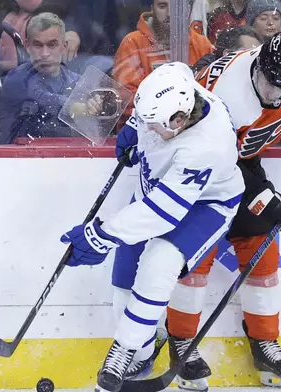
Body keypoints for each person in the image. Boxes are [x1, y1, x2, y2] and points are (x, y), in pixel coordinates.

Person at [120, 33, 281, 391]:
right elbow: (219, 163)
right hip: (192, 166)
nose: (276, 95)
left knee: (262, 248)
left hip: (239, 163)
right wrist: (266, 201)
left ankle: (264, 343)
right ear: (257, 64)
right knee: (195, 255)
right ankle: (182, 342)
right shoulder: (230, 96)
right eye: (270, 85)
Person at [60, 61, 245, 392]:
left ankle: (124, 348)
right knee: (123, 289)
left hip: (206, 206)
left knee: (159, 261)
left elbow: (163, 213)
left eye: (153, 125)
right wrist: (134, 125)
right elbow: (175, 67)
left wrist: (99, 236)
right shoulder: (175, 84)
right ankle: (143, 353)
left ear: (178, 120)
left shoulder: (207, 146)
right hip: (157, 191)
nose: (150, 130)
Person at [113, 0, 214, 128]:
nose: (170, 14)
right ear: (152, 8)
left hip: (193, 125)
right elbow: (126, 97)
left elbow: (211, 90)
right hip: (144, 127)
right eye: (162, 6)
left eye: (176, 8)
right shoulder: (133, 43)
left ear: (187, 10)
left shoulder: (202, 44)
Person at [0, 12, 88, 143]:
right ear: (27, 46)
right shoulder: (16, 79)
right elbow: (40, 97)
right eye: (38, 45)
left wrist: (95, 102)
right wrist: (71, 106)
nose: (45, 53)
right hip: (20, 159)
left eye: (52, 45)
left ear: (64, 46)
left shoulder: (78, 81)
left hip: (69, 158)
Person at [191, 25, 263, 74]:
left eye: (258, 53)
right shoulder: (206, 77)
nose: (255, 58)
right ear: (227, 54)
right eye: (249, 53)